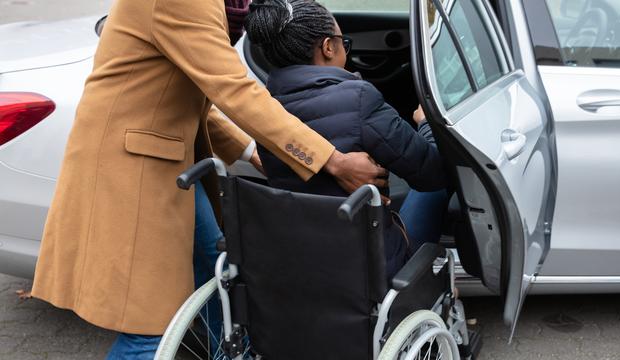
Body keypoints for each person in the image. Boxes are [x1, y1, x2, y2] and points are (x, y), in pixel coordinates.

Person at [30, 0, 388, 358]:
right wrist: (333, 160)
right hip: (133, 168)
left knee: (220, 276)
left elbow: (198, 95)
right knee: (152, 332)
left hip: (164, 164)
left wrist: (256, 155)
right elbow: (234, 91)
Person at [245, 0, 448, 276]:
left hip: (300, 267)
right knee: (440, 184)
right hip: (372, 269)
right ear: (328, 47)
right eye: (343, 42)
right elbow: (431, 173)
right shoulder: (360, 99)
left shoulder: (268, 113)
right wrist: (425, 125)